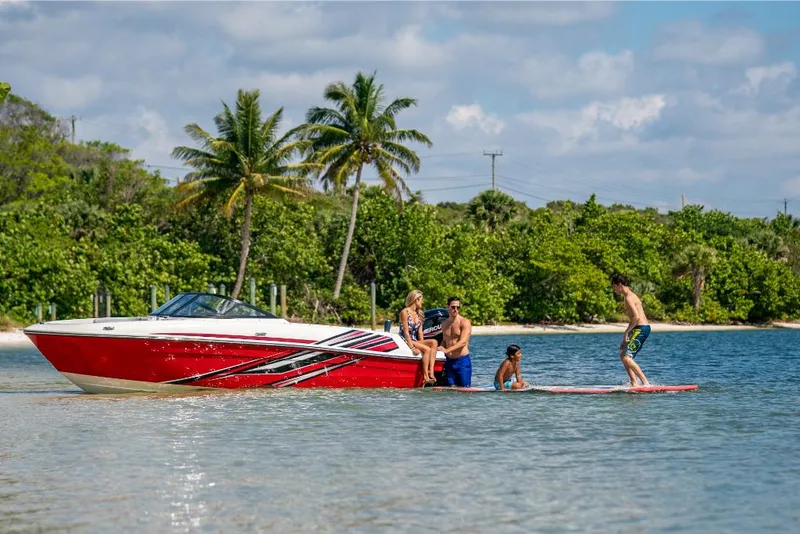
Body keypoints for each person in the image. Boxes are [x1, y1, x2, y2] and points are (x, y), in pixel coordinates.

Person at [611, 273, 651, 387]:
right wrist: (625, 339)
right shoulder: (628, 295)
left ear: (619, 285)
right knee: (623, 355)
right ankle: (634, 383)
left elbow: (636, 317)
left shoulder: (629, 297)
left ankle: (645, 383)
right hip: (638, 329)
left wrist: (626, 333)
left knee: (626, 357)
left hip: (641, 329)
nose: (614, 290)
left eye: (613, 286)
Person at [398, 289, 438, 385]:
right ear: (416, 299)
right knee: (427, 350)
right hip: (405, 339)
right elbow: (406, 332)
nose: (423, 302)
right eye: (421, 300)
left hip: (414, 340)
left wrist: (422, 346)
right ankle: (425, 377)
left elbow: (420, 333)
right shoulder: (404, 312)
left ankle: (431, 372)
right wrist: (412, 347)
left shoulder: (419, 314)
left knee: (434, 342)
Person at [441, 296, 472, 387]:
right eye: (453, 307)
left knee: (465, 390)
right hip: (449, 362)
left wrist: (447, 350)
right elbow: (445, 340)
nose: (455, 310)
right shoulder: (444, 324)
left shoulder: (464, 322)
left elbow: (463, 342)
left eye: (458, 307)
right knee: (451, 391)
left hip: (462, 361)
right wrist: (441, 347)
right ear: (447, 307)